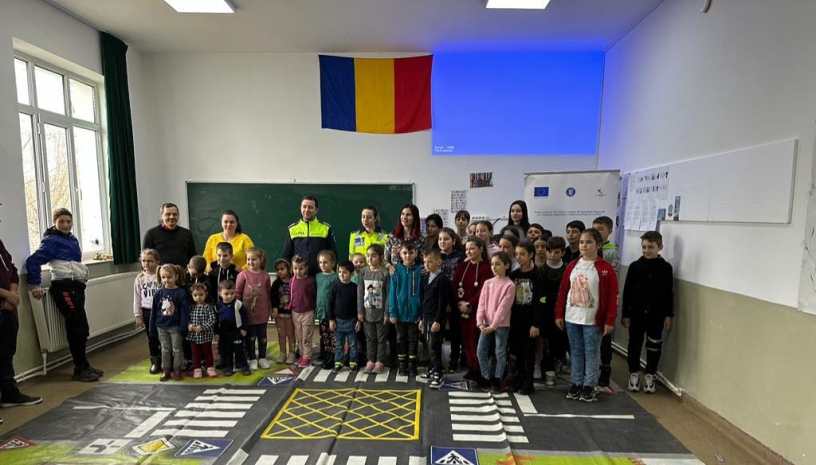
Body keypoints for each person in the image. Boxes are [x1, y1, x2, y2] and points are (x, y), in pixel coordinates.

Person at [26, 208, 101, 382]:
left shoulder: (72, 239)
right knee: (76, 326)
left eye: (68, 221)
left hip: (77, 287)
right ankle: (79, 369)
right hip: (63, 288)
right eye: (61, 221)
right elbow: (33, 261)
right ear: (54, 222)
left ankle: (84, 365)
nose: (66, 225)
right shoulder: (51, 241)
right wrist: (35, 285)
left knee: (82, 328)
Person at [555, 228, 618, 403]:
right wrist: (559, 313)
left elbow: (612, 296)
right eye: (582, 242)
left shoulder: (605, 268)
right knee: (575, 351)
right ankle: (576, 383)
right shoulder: (572, 266)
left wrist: (609, 320)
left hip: (592, 320)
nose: (584, 245)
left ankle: (589, 385)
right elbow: (563, 291)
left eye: (589, 242)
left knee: (591, 352)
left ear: (598, 245)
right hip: (572, 317)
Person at [623, 231, 674, 393]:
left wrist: (669, 314)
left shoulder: (666, 268)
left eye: (650, 247)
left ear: (660, 247)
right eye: (644, 247)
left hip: (657, 315)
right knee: (634, 344)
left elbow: (669, 293)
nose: (646, 250)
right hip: (636, 314)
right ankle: (634, 374)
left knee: (654, 345)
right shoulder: (635, 266)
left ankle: (650, 375)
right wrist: (625, 314)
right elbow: (627, 292)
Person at [0, 238, 42, 411]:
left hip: (8, 308)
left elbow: (11, 270)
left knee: (6, 353)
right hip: (4, 302)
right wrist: (6, 295)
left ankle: (9, 394)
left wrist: (13, 293)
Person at [452, 237, 494, 381]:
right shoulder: (463, 266)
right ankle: (472, 368)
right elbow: (455, 285)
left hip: (477, 311)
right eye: (466, 249)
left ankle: (481, 371)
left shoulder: (487, 268)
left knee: (476, 342)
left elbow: (484, 290)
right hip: (461, 310)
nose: (468, 252)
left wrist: (469, 304)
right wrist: (459, 304)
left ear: (481, 249)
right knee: (466, 342)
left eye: (472, 248)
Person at [509, 242, 546, 393]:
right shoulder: (514, 275)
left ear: (531, 255)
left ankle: (528, 383)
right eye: (516, 254)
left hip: (530, 321)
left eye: (522, 254)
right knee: (516, 351)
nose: (519, 257)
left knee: (528, 353)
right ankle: (517, 379)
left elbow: (541, 301)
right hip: (515, 319)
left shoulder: (538, 275)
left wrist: (536, 324)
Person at [476, 252, 515, 392]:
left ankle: (498, 378)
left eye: (498, 264)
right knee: (481, 351)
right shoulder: (488, 283)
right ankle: (486, 377)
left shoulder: (509, 285)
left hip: (501, 325)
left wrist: (493, 326)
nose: (494, 267)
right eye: (492, 264)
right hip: (486, 324)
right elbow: (481, 304)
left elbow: (503, 308)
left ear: (507, 265)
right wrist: (480, 322)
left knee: (500, 352)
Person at [150, 264, 190, 381]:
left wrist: (183, 326)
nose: (166, 280)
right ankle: (166, 370)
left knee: (177, 348)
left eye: (169, 277)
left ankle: (177, 370)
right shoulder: (158, 293)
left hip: (175, 327)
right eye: (163, 277)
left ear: (176, 276)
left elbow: (184, 311)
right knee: (165, 348)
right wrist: (152, 327)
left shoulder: (181, 293)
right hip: (161, 326)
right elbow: (154, 311)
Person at [592, 215, 619, 389]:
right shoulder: (589, 248)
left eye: (601, 229)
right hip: (590, 301)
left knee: (605, 338)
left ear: (609, 231)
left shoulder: (611, 251)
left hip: (605, 300)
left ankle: (605, 371)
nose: (597, 232)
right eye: (595, 228)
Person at [388, 243, 423, 376]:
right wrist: (392, 312)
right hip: (399, 314)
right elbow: (392, 293)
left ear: (416, 254)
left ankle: (412, 365)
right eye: (405, 253)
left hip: (415, 314)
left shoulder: (420, 271)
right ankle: (402, 365)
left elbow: (422, 293)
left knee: (413, 339)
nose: (408, 256)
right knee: (400, 339)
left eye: (411, 253)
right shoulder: (396, 271)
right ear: (400, 254)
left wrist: (420, 314)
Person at [236, 247, 272, 370]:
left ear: (261, 260)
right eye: (248, 259)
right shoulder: (243, 275)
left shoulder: (265, 276)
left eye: (254, 259)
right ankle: (252, 358)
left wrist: (270, 309)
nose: (250, 262)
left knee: (263, 337)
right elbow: (238, 293)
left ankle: (262, 357)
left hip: (262, 313)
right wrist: (238, 311)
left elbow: (268, 294)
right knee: (250, 338)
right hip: (248, 314)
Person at [282, 195, 337, 275]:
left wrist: (331, 275)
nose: (307, 210)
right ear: (300, 208)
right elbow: (286, 256)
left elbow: (333, 255)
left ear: (316, 210)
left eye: (310, 207)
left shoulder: (325, 228)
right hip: (299, 277)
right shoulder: (292, 229)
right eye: (304, 207)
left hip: (320, 277)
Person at [420, 249, 451, 389]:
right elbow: (424, 300)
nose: (427, 264)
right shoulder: (426, 277)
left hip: (436, 318)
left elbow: (442, 303)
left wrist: (438, 321)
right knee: (428, 344)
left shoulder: (442, 279)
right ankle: (432, 369)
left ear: (439, 262)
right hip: (426, 317)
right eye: (425, 262)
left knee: (435, 346)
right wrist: (422, 319)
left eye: (430, 262)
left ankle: (438, 373)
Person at [358, 244, 390, 374]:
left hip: (381, 313)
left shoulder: (385, 273)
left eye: (374, 256)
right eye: (368, 256)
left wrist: (387, 312)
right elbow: (360, 293)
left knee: (381, 338)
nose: (370, 259)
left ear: (381, 257)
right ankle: (370, 360)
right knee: (370, 338)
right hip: (367, 313)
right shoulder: (363, 272)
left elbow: (388, 294)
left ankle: (380, 361)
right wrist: (360, 311)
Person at [437, 227, 464, 372]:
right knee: (438, 331)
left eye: (446, 239)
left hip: (455, 298)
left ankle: (454, 360)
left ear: (453, 241)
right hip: (439, 298)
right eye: (440, 239)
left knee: (455, 332)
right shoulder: (435, 256)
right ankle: (437, 362)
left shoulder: (460, 257)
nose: (442, 242)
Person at [541, 236, 569, 375]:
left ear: (563, 252)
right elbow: (540, 295)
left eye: (556, 252)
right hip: (545, 310)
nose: (552, 255)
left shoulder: (567, 269)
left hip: (562, 310)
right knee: (546, 339)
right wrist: (545, 301)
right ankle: (547, 365)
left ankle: (560, 360)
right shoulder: (541, 270)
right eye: (550, 251)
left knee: (560, 338)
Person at [142, 202, 197, 267]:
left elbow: (193, 257)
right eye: (168, 214)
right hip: (160, 273)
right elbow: (145, 259)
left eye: (175, 214)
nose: (171, 217)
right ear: (162, 216)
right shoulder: (151, 234)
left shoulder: (187, 233)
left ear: (178, 216)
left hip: (183, 272)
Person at [328, 260, 360, 372]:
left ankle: (353, 362)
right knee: (339, 344)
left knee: (353, 344)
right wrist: (331, 319)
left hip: (352, 321)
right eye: (340, 272)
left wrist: (358, 320)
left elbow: (358, 305)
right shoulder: (335, 286)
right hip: (338, 321)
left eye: (345, 272)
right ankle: (338, 363)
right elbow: (330, 303)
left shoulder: (355, 287)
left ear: (352, 274)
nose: (341, 274)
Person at [134, 249, 162, 374]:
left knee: (164, 336)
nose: (146, 264)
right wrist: (138, 315)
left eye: (150, 261)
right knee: (152, 337)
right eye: (144, 261)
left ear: (157, 261)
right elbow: (137, 298)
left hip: (162, 311)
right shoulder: (139, 279)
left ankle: (167, 360)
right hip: (147, 311)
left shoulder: (161, 275)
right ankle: (155, 362)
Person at [215, 280, 250, 376]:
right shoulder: (218, 306)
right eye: (226, 294)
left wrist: (244, 328)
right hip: (224, 332)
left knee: (239, 349)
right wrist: (216, 332)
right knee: (226, 350)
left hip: (236, 331)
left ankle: (243, 366)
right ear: (220, 293)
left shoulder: (238, 304)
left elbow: (245, 317)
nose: (230, 296)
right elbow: (216, 320)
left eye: (232, 293)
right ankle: (228, 367)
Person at [290, 255, 316, 368]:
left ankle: (307, 356)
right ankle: (301, 354)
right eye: (295, 268)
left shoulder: (310, 281)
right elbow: (292, 294)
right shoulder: (292, 280)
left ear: (306, 268)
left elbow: (314, 295)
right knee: (299, 336)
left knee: (306, 336)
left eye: (301, 268)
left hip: (307, 312)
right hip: (295, 312)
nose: (297, 271)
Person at [187, 283, 217, 378]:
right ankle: (197, 369)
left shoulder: (208, 307)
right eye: (195, 295)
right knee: (195, 353)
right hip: (194, 336)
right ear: (192, 295)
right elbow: (187, 319)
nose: (198, 297)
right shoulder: (191, 307)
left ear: (206, 294)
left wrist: (202, 327)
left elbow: (212, 320)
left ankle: (210, 367)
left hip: (206, 335)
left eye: (201, 295)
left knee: (207, 352)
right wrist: (189, 326)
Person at [315, 250, 338, 369]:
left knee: (332, 336)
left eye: (325, 262)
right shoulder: (318, 276)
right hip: (321, 312)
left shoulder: (336, 277)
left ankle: (332, 358)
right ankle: (324, 355)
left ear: (332, 263)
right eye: (320, 262)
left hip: (332, 313)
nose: (322, 265)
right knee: (323, 335)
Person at [271, 259, 296, 364]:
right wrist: (274, 308)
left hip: (291, 314)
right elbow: (273, 297)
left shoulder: (294, 281)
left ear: (288, 269)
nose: (280, 271)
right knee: (281, 334)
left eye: (282, 269)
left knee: (291, 334)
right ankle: (282, 353)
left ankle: (292, 353)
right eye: (277, 270)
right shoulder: (276, 283)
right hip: (279, 314)